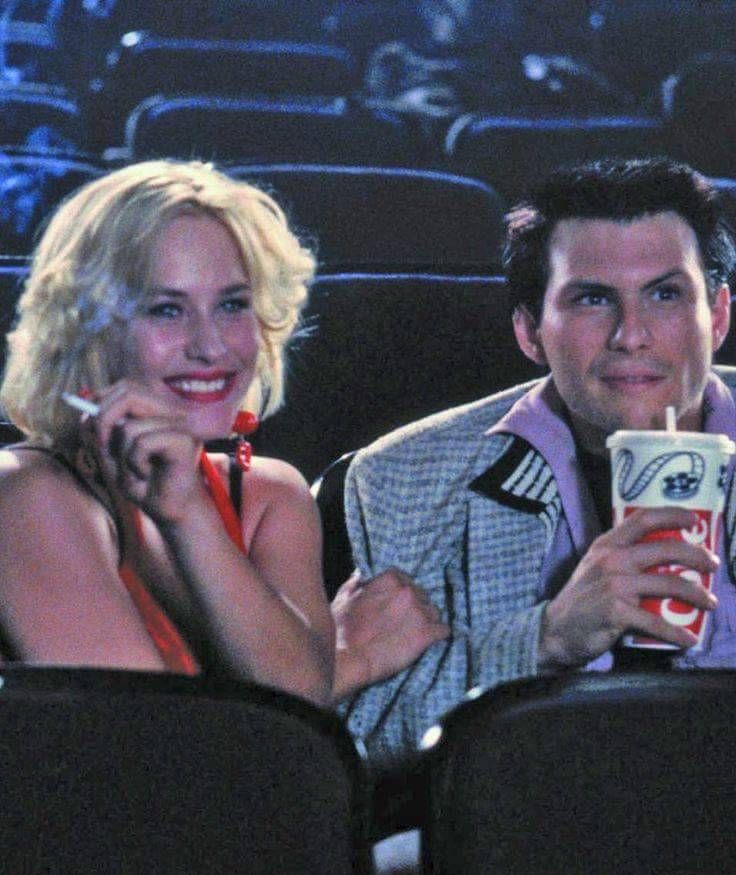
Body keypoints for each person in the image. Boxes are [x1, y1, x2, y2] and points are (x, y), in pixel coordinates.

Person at [0, 158, 445, 703]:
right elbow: (142, 744)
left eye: (233, 304)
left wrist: (188, 514)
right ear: (85, 332)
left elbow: (300, 695)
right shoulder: (25, 492)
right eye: (167, 310)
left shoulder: (269, 494)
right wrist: (354, 663)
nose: (211, 347)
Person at [341, 155, 736, 760]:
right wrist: (545, 639)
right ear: (530, 332)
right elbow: (369, 739)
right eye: (592, 300)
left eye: (665, 294)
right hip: (533, 826)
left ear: (719, 315)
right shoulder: (403, 478)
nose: (632, 334)